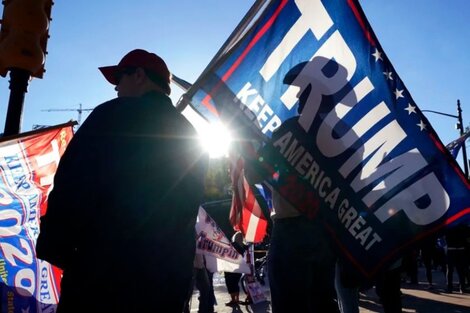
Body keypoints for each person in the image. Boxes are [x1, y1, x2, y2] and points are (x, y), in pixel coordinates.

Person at [36, 49, 208, 313]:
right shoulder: (191, 134)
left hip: (102, 277)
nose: (116, 87)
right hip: (166, 281)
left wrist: (55, 245)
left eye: (120, 78)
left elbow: (74, 185)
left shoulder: (111, 116)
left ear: (139, 75)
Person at [253, 62, 339, 313]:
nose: (298, 100)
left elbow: (256, 171)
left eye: (302, 93)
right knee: (323, 302)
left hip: (291, 233)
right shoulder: (344, 139)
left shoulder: (290, 130)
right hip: (325, 234)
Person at [223, 231, 249, 306]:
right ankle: (236, 299)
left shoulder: (232, 245)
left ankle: (233, 300)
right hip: (239, 268)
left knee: (230, 284)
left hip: (230, 267)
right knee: (235, 283)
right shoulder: (243, 247)